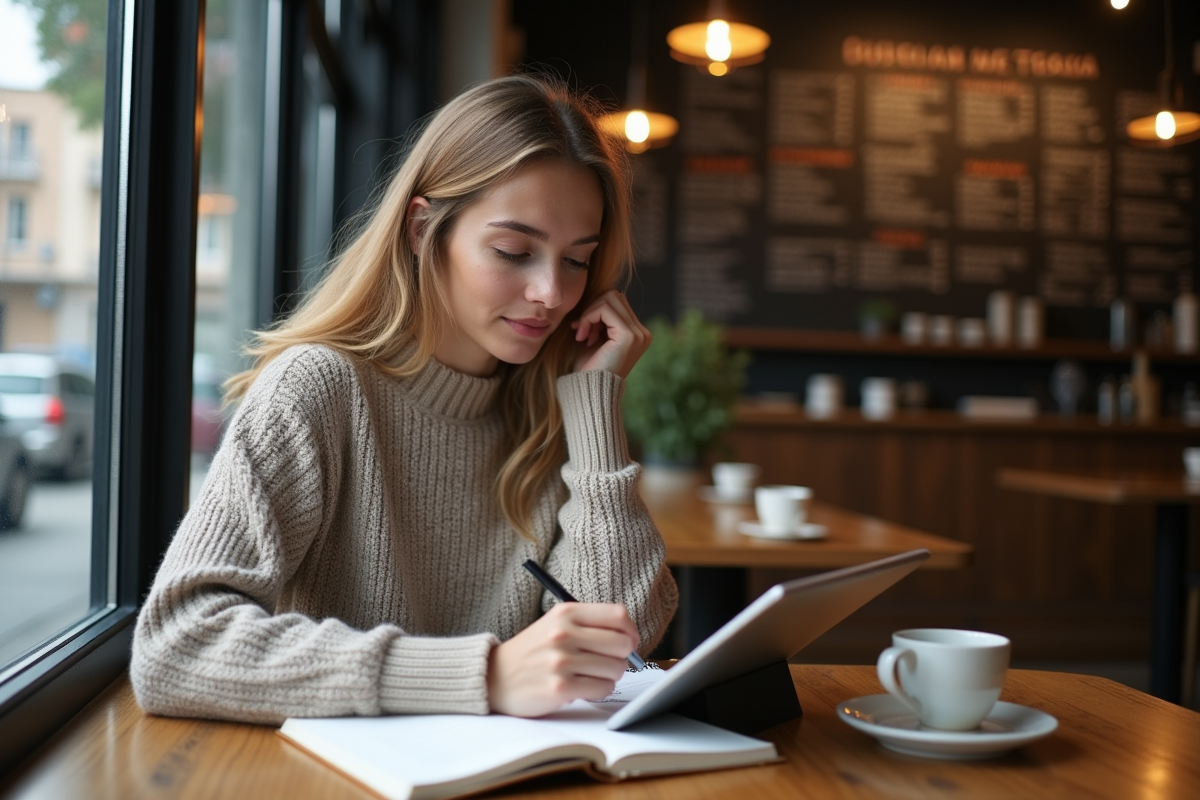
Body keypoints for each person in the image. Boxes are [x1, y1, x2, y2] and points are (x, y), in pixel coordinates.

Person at [131, 75, 679, 724]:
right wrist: (485, 676)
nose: (551, 294)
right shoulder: (316, 390)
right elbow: (175, 645)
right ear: (424, 229)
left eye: (576, 261)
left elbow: (625, 638)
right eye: (514, 251)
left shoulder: (557, 412)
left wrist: (595, 402)